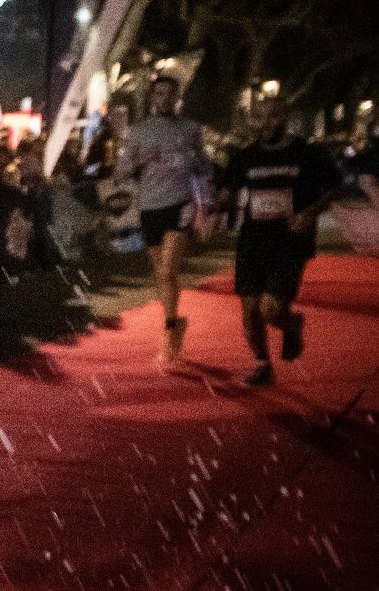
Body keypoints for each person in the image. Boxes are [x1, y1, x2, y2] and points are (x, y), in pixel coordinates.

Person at [220, 95, 342, 386]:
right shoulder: (243, 156)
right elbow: (227, 189)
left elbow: (336, 187)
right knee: (250, 312)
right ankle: (262, 364)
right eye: (257, 117)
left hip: (290, 241)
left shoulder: (306, 153)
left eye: (271, 117)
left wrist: (309, 212)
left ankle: (292, 323)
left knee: (270, 309)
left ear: (284, 117)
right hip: (252, 241)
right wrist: (220, 201)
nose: (264, 124)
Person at [113, 75, 209, 363]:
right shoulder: (139, 132)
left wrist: (192, 158)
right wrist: (142, 161)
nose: (164, 98)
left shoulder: (191, 129)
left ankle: (169, 330)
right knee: (161, 273)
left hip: (179, 204)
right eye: (159, 93)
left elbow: (205, 166)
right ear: (152, 97)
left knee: (167, 270)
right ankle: (174, 321)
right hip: (149, 207)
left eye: (170, 93)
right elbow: (120, 173)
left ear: (177, 96)